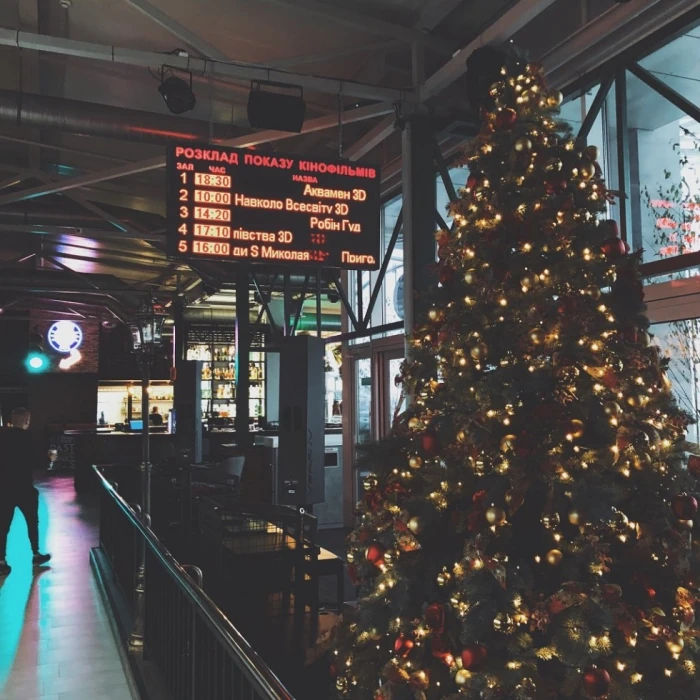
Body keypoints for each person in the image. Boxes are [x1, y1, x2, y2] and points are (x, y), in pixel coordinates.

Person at [0, 407, 51, 576]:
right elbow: (38, 463)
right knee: (32, 521)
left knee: (3, 525)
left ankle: (1, 561)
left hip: (4, 488)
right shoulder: (29, 438)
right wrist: (49, 460)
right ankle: (36, 554)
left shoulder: (2, 437)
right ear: (27, 421)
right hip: (24, 488)